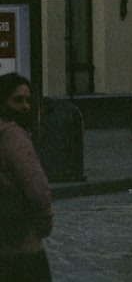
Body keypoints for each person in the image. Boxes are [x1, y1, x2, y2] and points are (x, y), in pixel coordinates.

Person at [0, 73, 53, 281]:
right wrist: (44, 223)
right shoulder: (14, 136)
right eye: (17, 100)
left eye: (27, 100)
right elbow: (37, 187)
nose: (25, 107)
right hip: (22, 244)